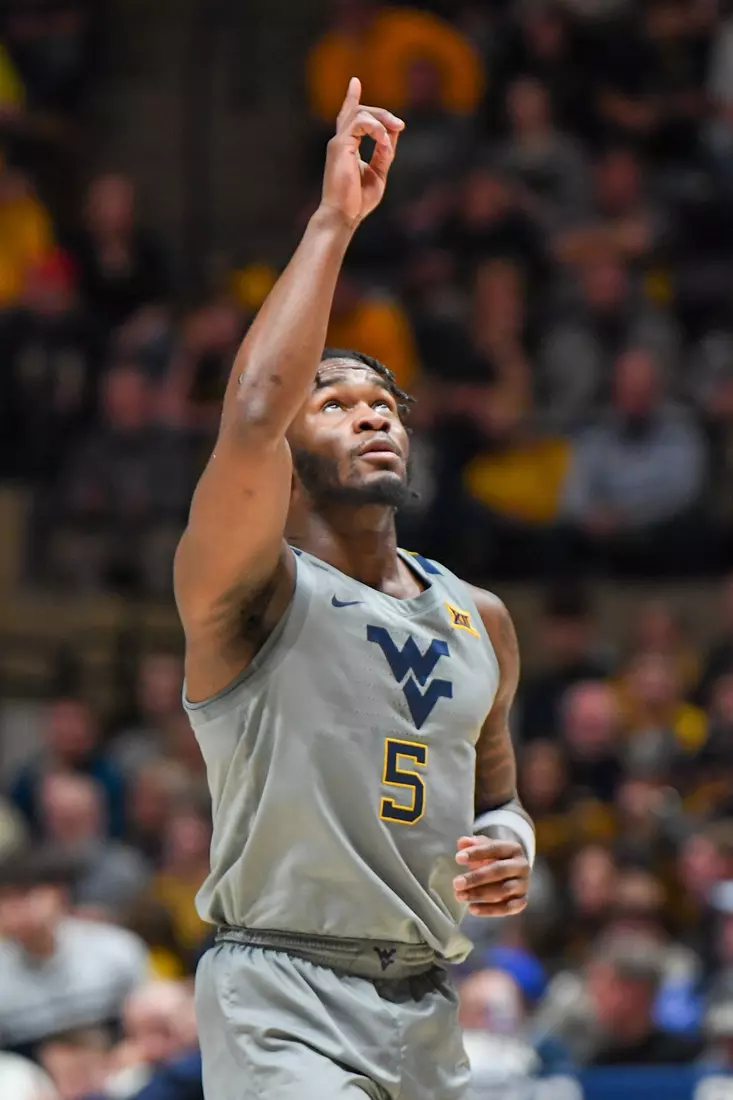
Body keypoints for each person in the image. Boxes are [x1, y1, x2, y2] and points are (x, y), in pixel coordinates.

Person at [174, 79, 534, 1100]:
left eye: (386, 402)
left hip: (425, 1008)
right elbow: (250, 407)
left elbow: (499, 797)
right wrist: (335, 222)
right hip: (279, 991)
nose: (373, 414)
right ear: (286, 451)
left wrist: (510, 848)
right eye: (334, 401)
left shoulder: (480, 617)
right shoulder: (248, 588)